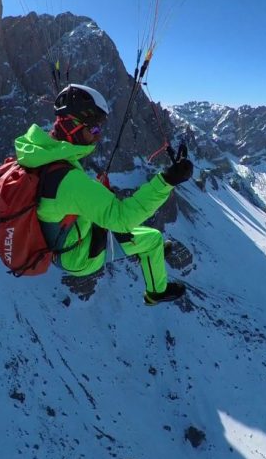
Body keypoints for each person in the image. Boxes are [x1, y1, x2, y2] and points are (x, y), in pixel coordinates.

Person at [14, 83, 194, 304]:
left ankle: (142, 252)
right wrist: (167, 180)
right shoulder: (69, 182)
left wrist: (92, 192)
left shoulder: (41, 153)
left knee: (137, 234)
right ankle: (156, 292)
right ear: (73, 126)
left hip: (67, 235)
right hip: (78, 256)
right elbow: (122, 218)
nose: (98, 137)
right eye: (95, 130)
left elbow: (62, 197)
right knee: (153, 239)